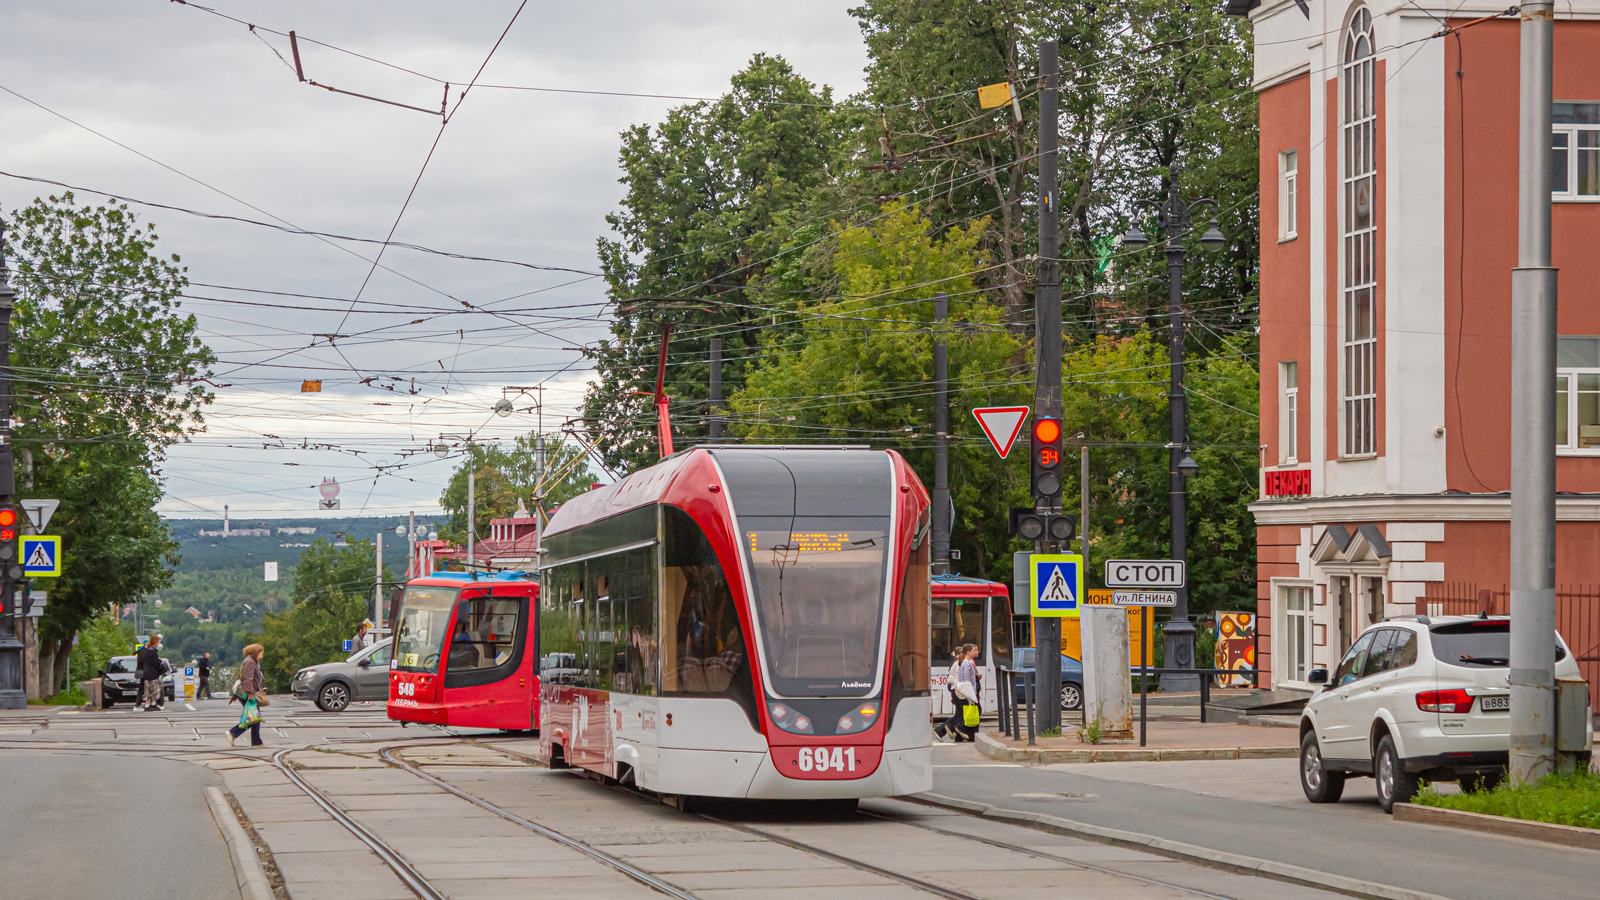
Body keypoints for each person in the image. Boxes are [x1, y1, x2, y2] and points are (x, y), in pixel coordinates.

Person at [934, 644, 980, 742]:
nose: (977, 652)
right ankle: (959, 729)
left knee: (960, 714)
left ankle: (953, 732)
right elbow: (966, 680)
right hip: (962, 692)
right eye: (974, 651)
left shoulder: (960, 663)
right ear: (967, 652)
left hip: (958, 690)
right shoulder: (966, 664)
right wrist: (969, 694)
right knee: (970, 712)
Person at [229, 644, 267, 747]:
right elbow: (247, 679)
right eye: (261, 653)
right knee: (254, 717)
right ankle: (233, 732)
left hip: (245, 693)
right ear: (256, 652)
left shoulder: (250, 660)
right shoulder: (250, 662)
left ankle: (256, 742)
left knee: (254, 717)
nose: (262, 656)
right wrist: (251, 694)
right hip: (247, 694)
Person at [137, 635, 165, 712]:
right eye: (158, 641)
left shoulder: (145, 651)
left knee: (147, 689)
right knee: (155, 688)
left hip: (146, 672)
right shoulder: (153, 652)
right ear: (155, 642)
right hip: (153, 673)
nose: (158, 643)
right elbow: (155, 663)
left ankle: (148, 704)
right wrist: (159, 662)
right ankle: (152, 704)